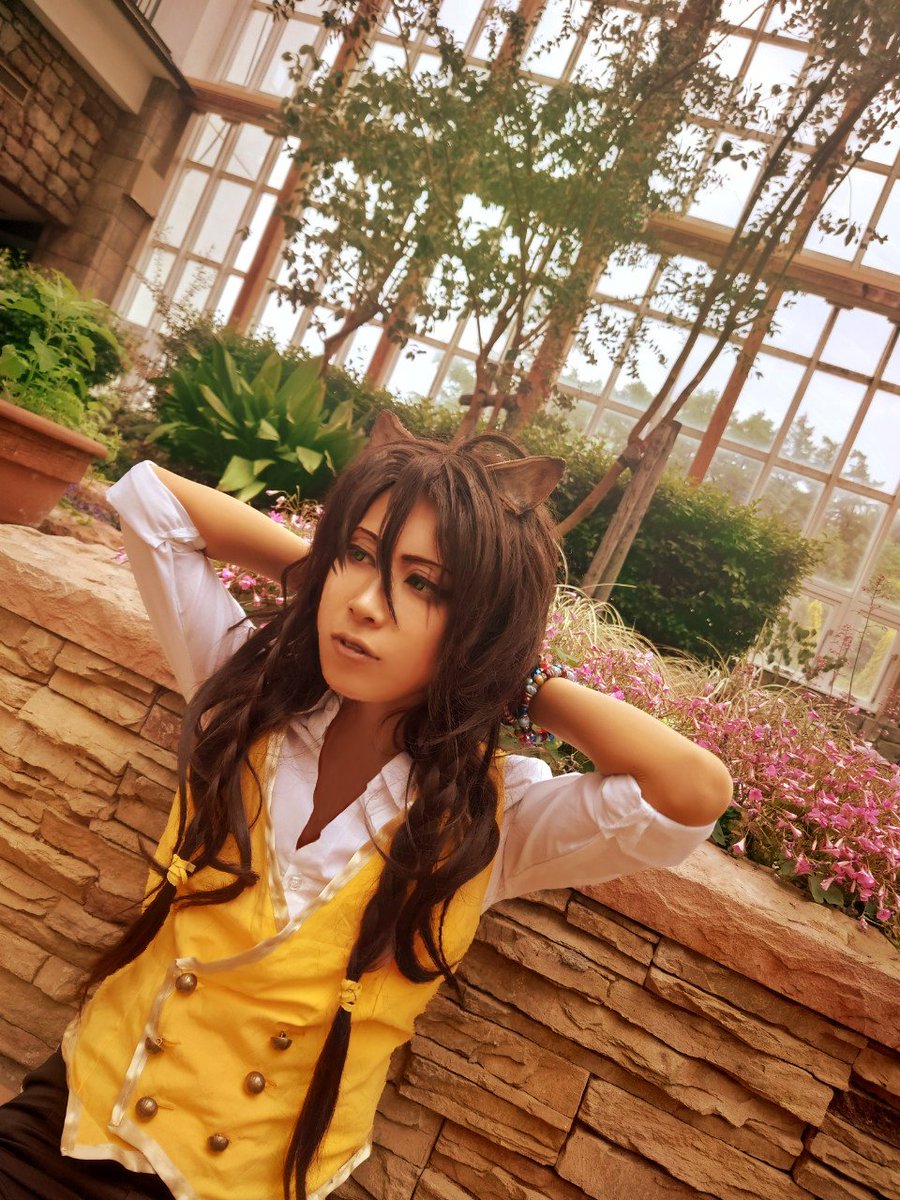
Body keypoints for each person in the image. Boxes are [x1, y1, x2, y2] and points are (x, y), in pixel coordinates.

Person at [0, 412, 732, 1200]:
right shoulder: (242, 696)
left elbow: (691, 792)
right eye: (358, 555)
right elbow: (151, 501)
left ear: (480, 626)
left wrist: (515, 681)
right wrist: (322, 576)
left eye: (423, 584)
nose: (366, 605)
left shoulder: (494, 816)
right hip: (76, 1119)